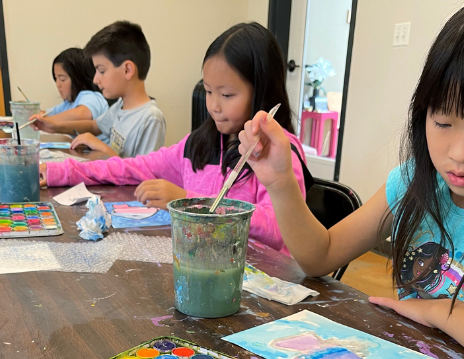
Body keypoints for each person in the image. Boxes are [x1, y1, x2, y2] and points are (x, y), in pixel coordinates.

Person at [237, 0, 464, 359]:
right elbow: (321, 255)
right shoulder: (415, 182)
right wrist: (280, 182)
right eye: (443, 121)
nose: (460, 153)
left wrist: (439, 312)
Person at [40, 22, 307, 253]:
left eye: (226, 95)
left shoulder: (280, 153)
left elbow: (279, 230)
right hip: (201, 266)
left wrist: (188, 203)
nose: (213, 106)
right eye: (208, 91)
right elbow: (131, 167)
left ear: (261, 90)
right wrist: (59, 172)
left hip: (258, 286)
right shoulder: (198, 143)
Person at [33, 21, 165, 158]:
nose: (95, 80)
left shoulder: (151, 119)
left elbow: (146, 175)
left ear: (127, 70)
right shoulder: (121, 105)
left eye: (101, 71)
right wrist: (55, 127)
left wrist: (102, 148)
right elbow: (94, 126)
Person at [43, 48, 109, 125]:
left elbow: (81, 115)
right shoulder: (67, 104)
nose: (57, 84)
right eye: (56, 78)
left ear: (78, 78)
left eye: (62, 79)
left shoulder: (92, 96)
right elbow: (45, 114)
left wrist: (46, 120)